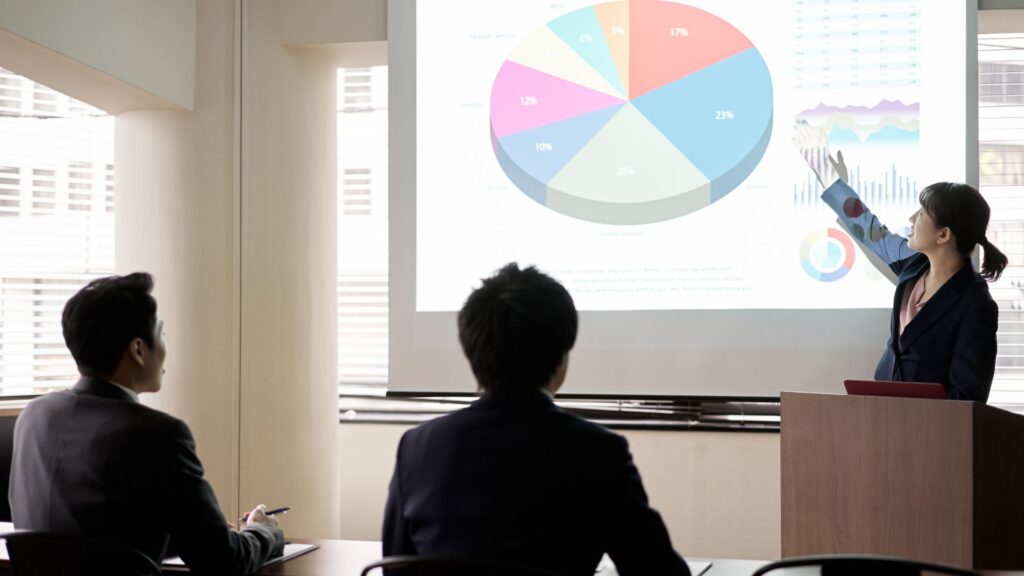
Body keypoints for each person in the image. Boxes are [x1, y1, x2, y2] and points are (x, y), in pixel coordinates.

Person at [382, 263, 690, 576]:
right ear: (562, 355)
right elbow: (659, 572)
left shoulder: (416, 447)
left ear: (472, 353)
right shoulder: (598, 451)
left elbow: (395, 568)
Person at [9, 273, 284, 575]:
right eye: (162, 334)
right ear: (138, 349)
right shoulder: (160, 434)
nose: (165, 349)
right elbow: (224, 562)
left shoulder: (33, 417)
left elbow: (90, 534)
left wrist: (188, 533)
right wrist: (263, 531)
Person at [797, 125, 1006, 402]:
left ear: (943, 234)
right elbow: (870, 229)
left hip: (927, 424)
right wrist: (825, 171)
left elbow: (967, 397)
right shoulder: (913, 265)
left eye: (921, 214)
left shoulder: (976, 304)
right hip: (881, 410)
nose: (911, 219)